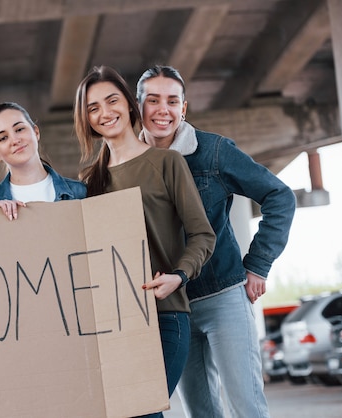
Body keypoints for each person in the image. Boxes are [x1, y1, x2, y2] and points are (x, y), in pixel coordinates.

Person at [136, 64, 296, 418]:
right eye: (153, 100)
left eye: (172, 101)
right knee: (201, 413)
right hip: (171, 309)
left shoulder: (213, 152)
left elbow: (279, 196)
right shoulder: (128, 162)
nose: (163, 110)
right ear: (138, 107)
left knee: (247, 407)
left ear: (184, 108)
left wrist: (257, 264)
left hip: (223, 295)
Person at [74, 65, 216, 417]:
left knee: (143, 411)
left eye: (112, 101)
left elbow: (202, 234)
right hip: (116, 321)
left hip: (166, 316)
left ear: (130, 104)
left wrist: (179, 275)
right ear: (86, 118)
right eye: (93, 108)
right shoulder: (90, 181)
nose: (105, 113)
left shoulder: (166, 162)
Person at [0, 101, 86, 216]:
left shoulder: (80, 192)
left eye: (19, 129)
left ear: (36, 132)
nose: (15, 140)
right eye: (3, 138)